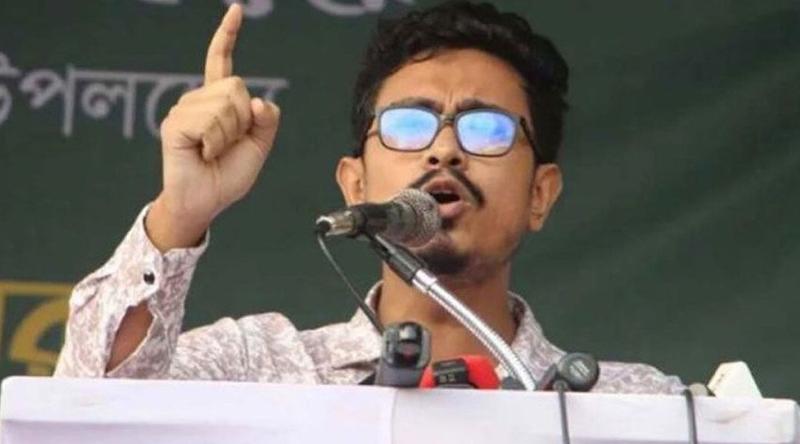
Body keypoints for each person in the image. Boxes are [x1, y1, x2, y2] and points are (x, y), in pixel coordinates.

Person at [54, 1, 683, 393]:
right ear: (355, 184)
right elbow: (85, 411)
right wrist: (181, 213)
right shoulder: (263, 367)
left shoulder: (625, 404)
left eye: (486, 129)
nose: (443, 150)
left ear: (540, 194)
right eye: (409, 124)